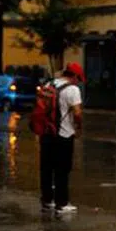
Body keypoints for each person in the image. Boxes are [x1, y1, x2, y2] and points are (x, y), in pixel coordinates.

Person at [41, 62, 85, 214]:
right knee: (62, 169)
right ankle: (62, 203)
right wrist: (78, 127)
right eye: (78, 78)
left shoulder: (49, 84)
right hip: (63, 134)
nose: (78, 81)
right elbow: (77, 113)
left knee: (47, 169)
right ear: (73, 76)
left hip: (46, 133)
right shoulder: (72, 90)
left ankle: (47, 201)